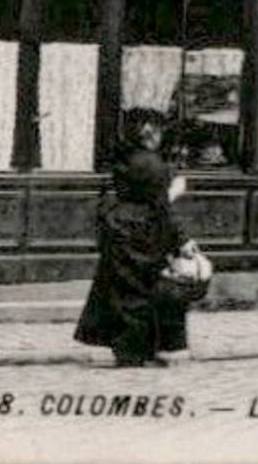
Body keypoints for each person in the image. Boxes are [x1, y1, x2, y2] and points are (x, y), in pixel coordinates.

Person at [75, 144, 192, 368]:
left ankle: (128, 350)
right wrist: (173, 195)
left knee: (122, 293)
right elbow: (161, 206)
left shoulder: (127, 163)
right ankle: (150, 348)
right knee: (147, 291)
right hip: (147, 231)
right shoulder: (155, 168)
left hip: (122, 227)